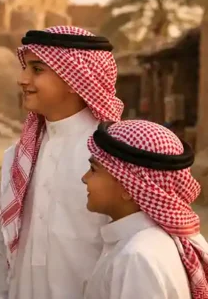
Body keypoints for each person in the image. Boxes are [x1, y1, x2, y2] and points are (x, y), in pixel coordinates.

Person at [0, 26, 124, 299]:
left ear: (74, 78)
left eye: (37, 69)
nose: (22, 79)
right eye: (25, 68)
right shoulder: (18, 155)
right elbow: (0, 252)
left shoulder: (113, 156)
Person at [82, 120, 208, 299]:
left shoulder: (137, 258)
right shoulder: (148, 243)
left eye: (93, 170)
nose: (84, 178)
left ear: (128, 187)